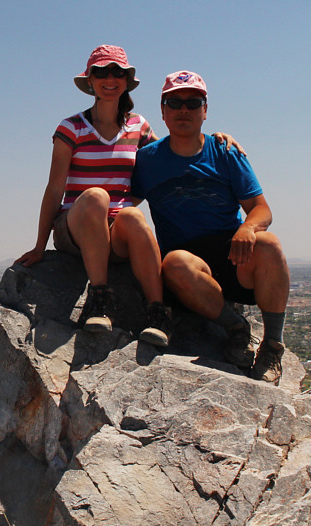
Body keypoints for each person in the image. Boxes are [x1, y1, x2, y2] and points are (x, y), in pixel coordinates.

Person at [17, 46, 239, 349]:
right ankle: (99, 301)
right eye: (102, 72)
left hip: (116, 232)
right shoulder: (71, 128)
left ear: (126, 80)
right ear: (90, 81)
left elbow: (172, 155)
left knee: (133, 215)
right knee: (95, 197)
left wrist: (214, 140)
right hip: (76, 227)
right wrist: (40, 246)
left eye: (118, 72)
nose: (111, 78)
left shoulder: (138, 126)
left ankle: (158, 313)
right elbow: (55, 188)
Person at [130, 70, 290, 383]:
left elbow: (261, 210)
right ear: (162, 111)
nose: (183, 110)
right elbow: (122, 204)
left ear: (206, 110)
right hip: (187, 266)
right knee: (175, 262)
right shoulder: (148, 161)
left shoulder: (225, 152)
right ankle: (235, 328)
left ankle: (272, 345)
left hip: (232, 253)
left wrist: (248, 229)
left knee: (269, 244)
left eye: (193, 103)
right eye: (174, 103)